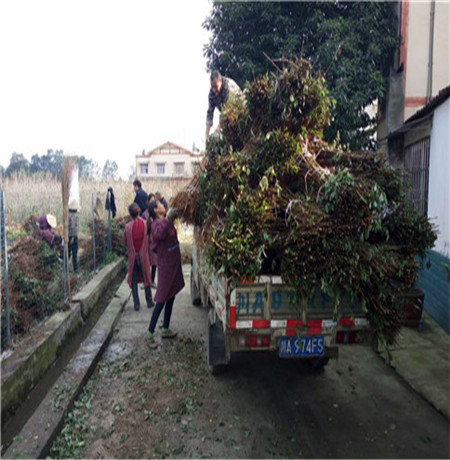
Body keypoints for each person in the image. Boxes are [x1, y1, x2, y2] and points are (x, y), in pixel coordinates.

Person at [146, 204, 185, 347]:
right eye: (160, 204)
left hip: (173, 265)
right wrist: (168, 218)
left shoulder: (164, 222)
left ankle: (165, 328)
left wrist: (171, 219)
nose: (163, 205)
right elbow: (158, 234)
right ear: (156, 210)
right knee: (161, 299)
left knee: (171, 295)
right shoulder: (156, 224)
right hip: (166, 267)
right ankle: (149, 333)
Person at [123, 203, 154, 311]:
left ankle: (136, 304)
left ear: (130, 214)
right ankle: (149, 302)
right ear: (139, 211)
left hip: (132, 258)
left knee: (134, 279)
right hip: (144, 257)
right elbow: (150, 240)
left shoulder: (127, 227)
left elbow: (125, 242)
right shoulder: (146, 225)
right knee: (146, 277)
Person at [206, 70, 242, 137]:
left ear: (221, 81)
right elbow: (209, 114)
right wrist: (207, 137)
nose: (214, 90)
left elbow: (227, 109)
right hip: (228, 114)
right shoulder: (211, 94)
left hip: (239, 107)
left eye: (216, 87)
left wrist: (217, 130)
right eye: (212, 87)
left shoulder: (228, 86)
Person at [142, 197, 158, 288]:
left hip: (154, 240)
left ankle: (152, 280)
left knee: (154, 262)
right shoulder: (145, 214)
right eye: (151, 200)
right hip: (147, 240)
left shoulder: (156, 214)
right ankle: (146, 281)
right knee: (146, 262)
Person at [68, 207, 78, 272]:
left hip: (67, 236)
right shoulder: (72, 216)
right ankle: (75, 269)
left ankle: (66, 268)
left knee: (68, 253)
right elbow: (73, 227)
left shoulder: (66, 215)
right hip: (72, 236)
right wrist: (73, 237)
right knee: (74, 253)